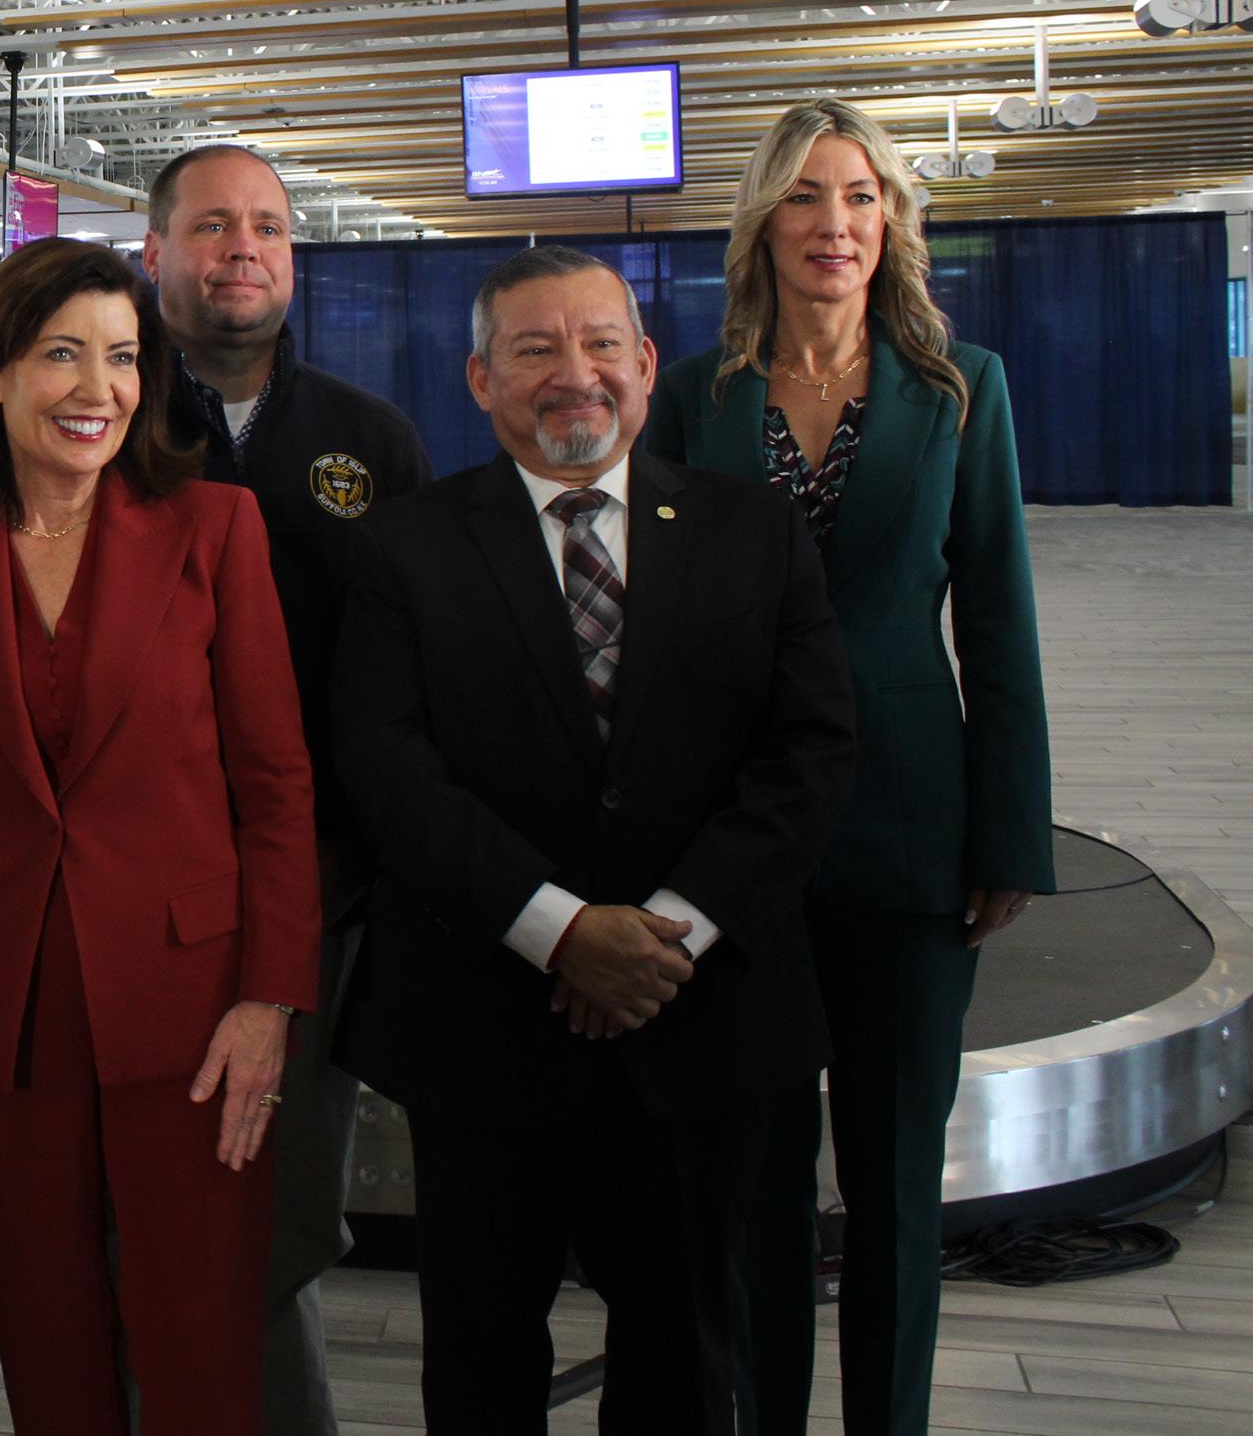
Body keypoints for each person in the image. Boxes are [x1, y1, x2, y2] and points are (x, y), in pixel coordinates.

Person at [327, 245, 855, 1433]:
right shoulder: (402, 549)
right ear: (479, 379)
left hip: (696, 1016)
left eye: (600, 342)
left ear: (646, 363)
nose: (575, 373)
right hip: (481, 1022)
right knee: (477, 1360)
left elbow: (810, 751)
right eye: (534, 349)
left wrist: (660, 937)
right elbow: (386, 768)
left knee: (682, 1353)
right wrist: (559, 931)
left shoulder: (754, 531)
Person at [0, 237, 322, 1434]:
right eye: (61, 354)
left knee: (198, 1346)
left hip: (192, 1007)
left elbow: (275, 784)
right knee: (45, 1344)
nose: (97, 388)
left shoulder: (214, 528)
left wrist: (269, 996)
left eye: (121, 358)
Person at [643, 98, 1055, 1436]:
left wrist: (1007, 833)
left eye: (861, 196)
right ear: (761, 222)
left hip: (907, 826)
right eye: (807, 196)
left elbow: (995, 622)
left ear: (891, 223)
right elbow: (653, 633)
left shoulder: (958, 389)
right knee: (754, 1183)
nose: (835, 223)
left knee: (890, 1186)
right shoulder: (693, 399)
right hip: (736, 838)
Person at [140, 142, 432, 1436]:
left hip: (312, 904)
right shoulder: (98, 424)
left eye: (264, 225)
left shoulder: (369, 442)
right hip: (126, 901)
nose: (240, 249)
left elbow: (415, 689)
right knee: (135, 1216)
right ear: (154, 253)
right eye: (211, 225)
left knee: (273, 1221)